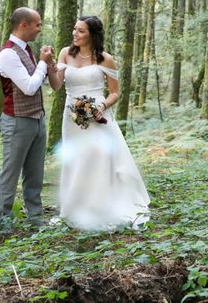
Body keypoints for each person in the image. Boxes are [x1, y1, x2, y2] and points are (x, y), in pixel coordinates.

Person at [52, 15, 150, 230]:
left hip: (98, 115)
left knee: (99, 159)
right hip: (72, 117)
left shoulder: (106, 59)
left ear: (92, 34)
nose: (75, 34)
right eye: (74, 29)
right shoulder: (65, 54)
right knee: (76, 159)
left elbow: (115, 93)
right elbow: (57, 85)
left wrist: (102, 107)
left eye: (81, 31)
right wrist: (50, 67)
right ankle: (75, 206)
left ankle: (102, 205)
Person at [0, 7, 61, 231]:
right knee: (10, 173)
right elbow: (30, 87)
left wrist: (47, 63)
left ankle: (35, 220)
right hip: (17, 121)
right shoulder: (7, 54)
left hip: (37, 120)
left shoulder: (28, 50)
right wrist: (43, 62)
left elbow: (42, 81)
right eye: (37, 25)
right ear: (24, 25)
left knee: (35, 174)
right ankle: (5, 224)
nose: (39, 29)